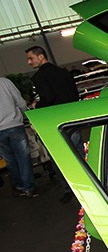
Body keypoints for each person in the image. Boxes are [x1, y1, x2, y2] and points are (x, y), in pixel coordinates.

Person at [26, 46, 81, 201]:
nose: (29, 62)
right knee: (79, 155)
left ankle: (69, 189)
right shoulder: (64, 73)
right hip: (74, 119)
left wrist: (37, 105)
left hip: (56, 123)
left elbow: (48, 98)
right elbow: (75, 95)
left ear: (41, 57)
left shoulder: (39, 77)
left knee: (60, 158)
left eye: (30, 58)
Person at [0, 76, 38, 197]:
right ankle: (29, 187)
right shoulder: (5, 82)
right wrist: (22, 114)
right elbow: (20, 102)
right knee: (23, 158)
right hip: (14, 125)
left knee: (9, 160)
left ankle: (19, 186)